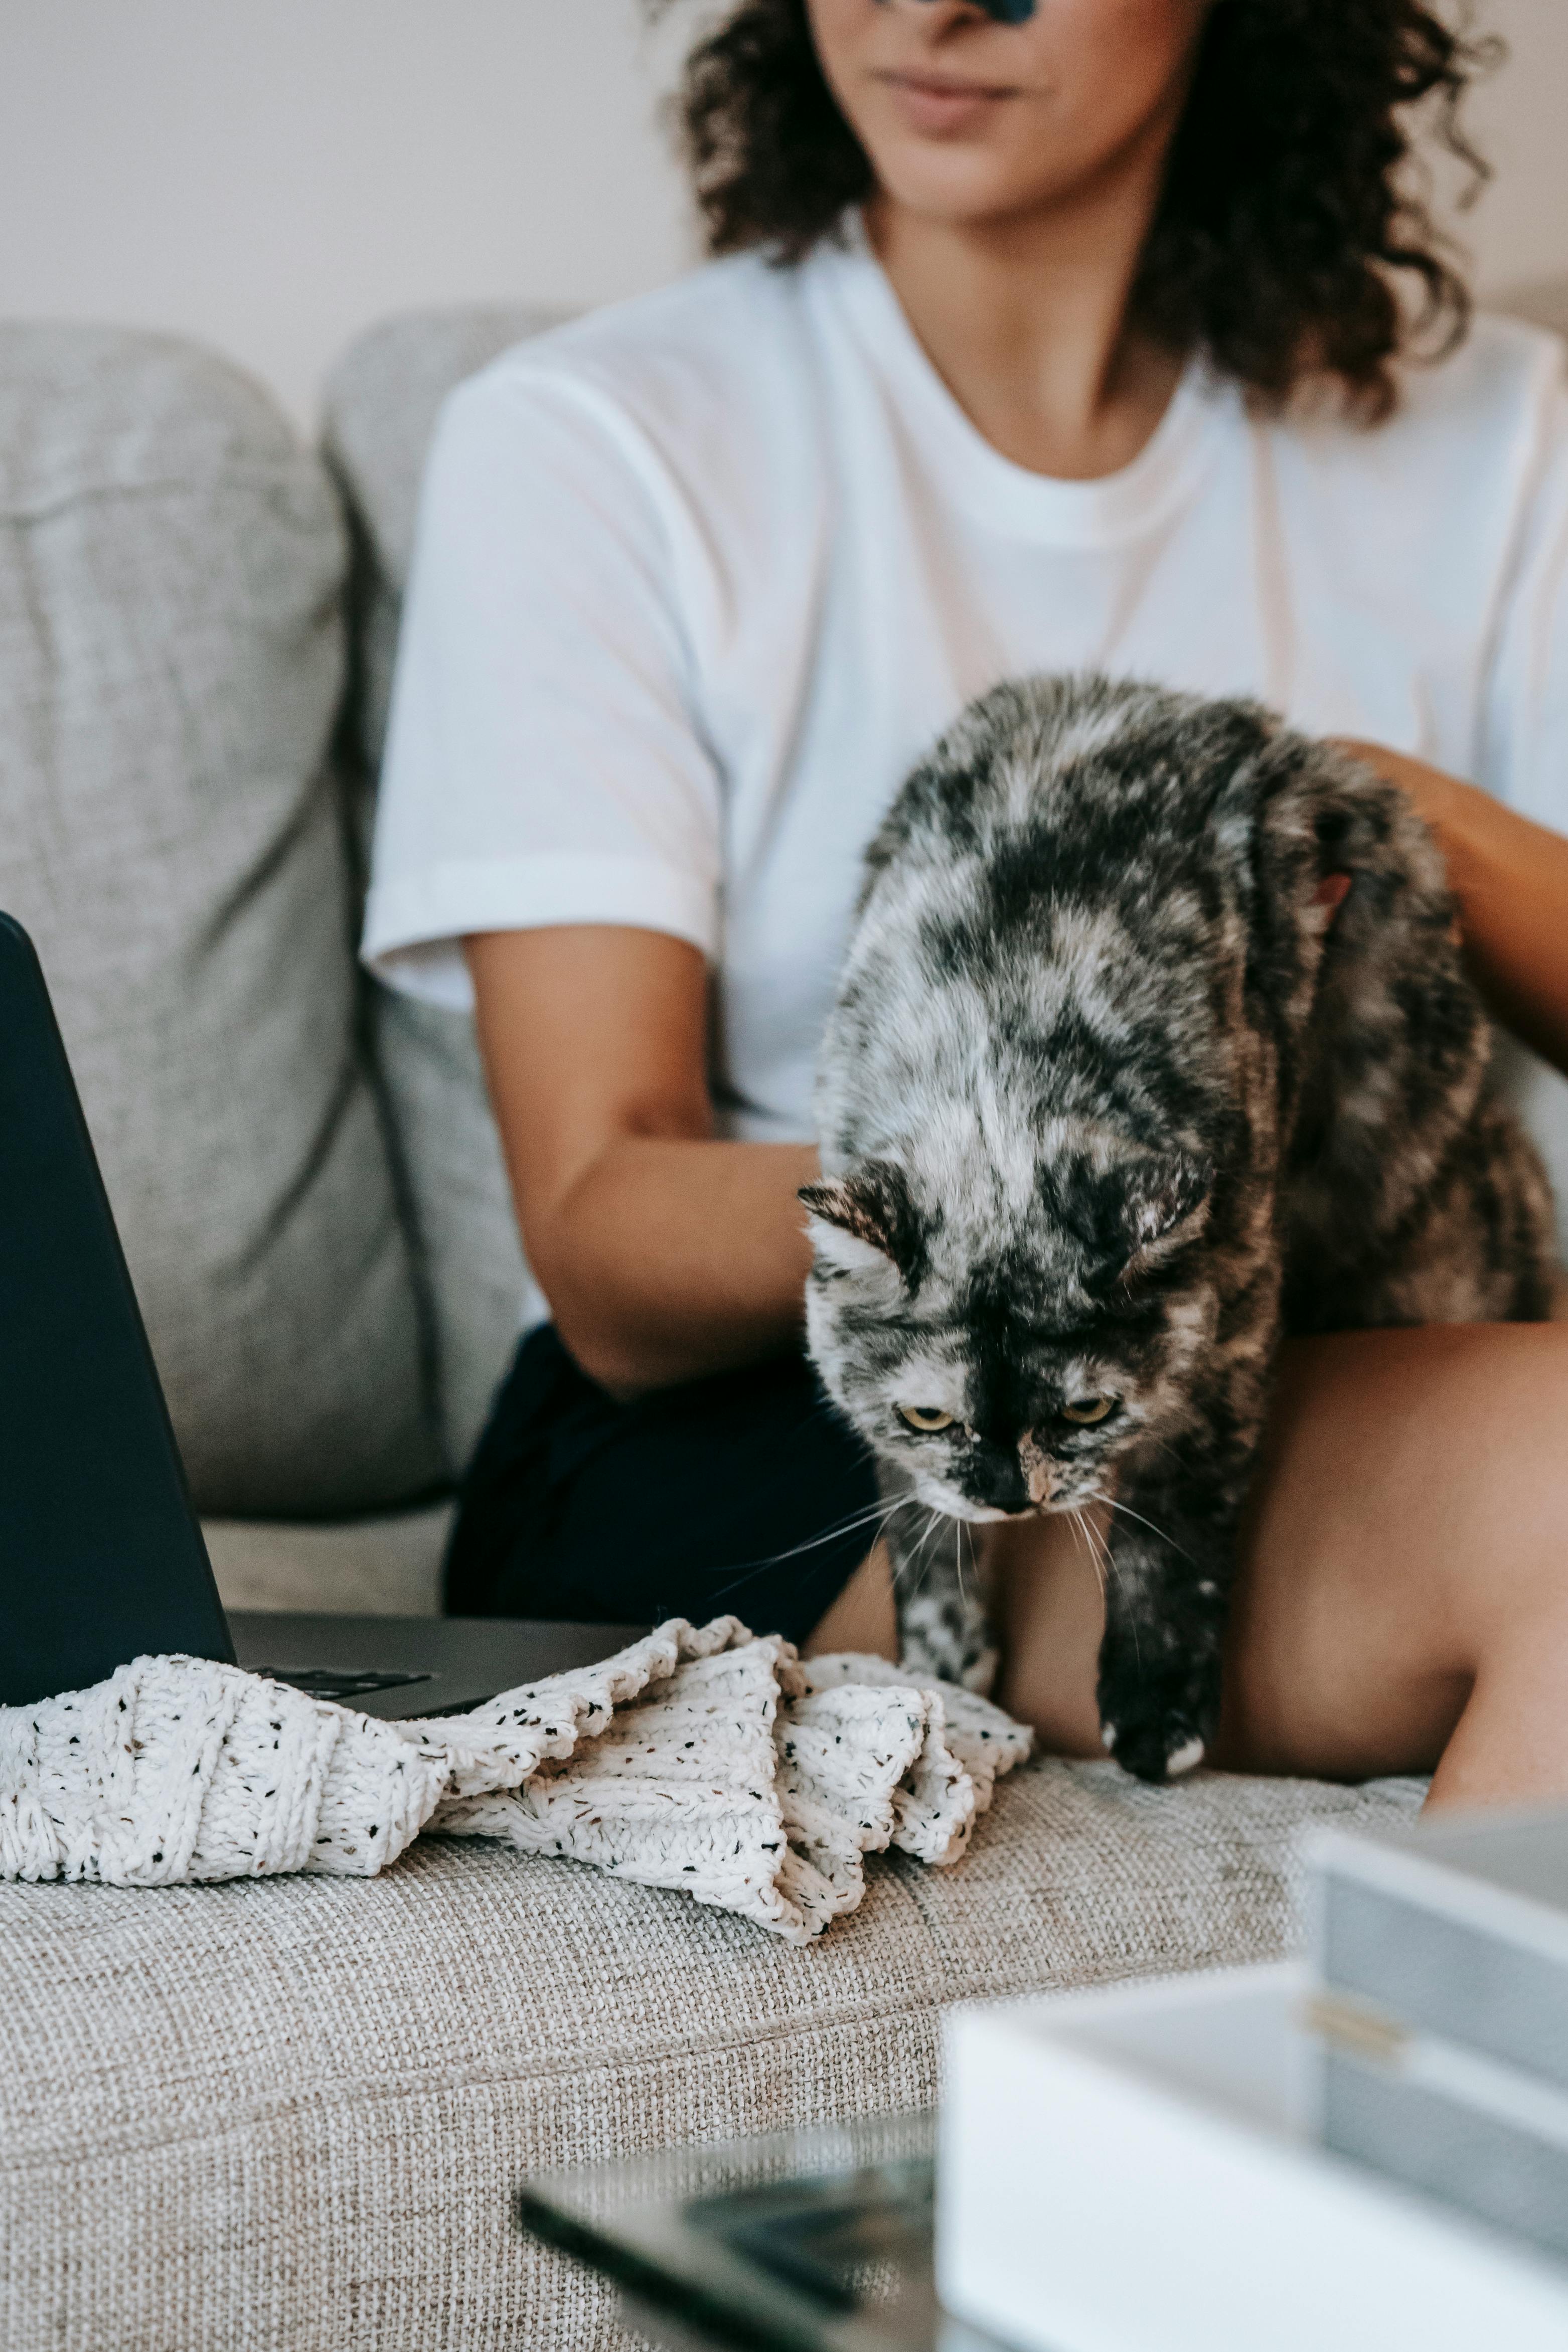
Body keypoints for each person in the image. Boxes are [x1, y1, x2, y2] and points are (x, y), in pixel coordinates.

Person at [365, 0, 1568, 1809]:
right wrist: (1021, 1229)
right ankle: (1368, 2099)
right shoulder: (603, 438)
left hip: (1303, 1363)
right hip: (804, 1416)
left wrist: (1395, 827)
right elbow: (602, 1231)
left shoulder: (1490, 437)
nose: (931, 7)